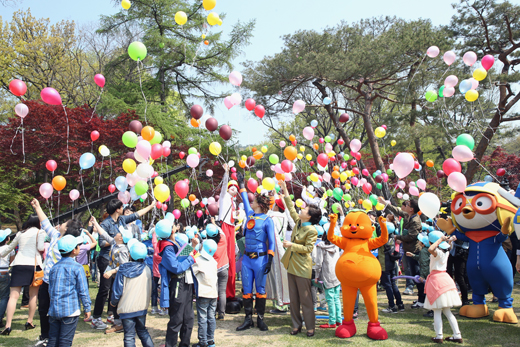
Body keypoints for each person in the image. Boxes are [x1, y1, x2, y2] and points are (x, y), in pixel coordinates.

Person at [92, 199, 154, 330]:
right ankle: (96, 317)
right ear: (117, 209)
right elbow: (102, 243)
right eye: (122, 207)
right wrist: (116, 241)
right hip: (106, 258)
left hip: (120, 257)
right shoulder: (106, 224)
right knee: (105, 288)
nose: (123, 208)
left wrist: (151, 206)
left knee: (116, 287)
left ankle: (112, 315)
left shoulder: (121, 220)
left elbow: (137, 215)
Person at [30, 198, 83, 346]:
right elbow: (45, 222)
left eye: (64, 224)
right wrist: (38, 207)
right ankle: (45, 336)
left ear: (66, 229)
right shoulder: (54, 235)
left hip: (60, 284)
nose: (61, 224)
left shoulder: (68, 245)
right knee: (43, 309)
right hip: (47, 281)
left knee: (57, 312)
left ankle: (56, 338)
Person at [278, 180, 320, 337]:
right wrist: (284, 189)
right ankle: (296, 325)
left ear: (308, 216)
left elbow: (308, 249)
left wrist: (291, 245)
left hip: (302, 267)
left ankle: (310, 327)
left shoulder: (312, 231)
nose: (302, 208)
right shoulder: (298, 222)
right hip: (291, 264)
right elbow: (290, 208)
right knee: (294, 299)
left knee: (306, 299)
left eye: (305, 209)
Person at [235, 172, 275, 332]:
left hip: (261, 259)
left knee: (260, 290)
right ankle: (247, 319)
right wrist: (241, 185)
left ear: (260, 204)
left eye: (254, 200)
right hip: (247, 260)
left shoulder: (268, 220)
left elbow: (271, 242)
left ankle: (260, 319)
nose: (251, 202)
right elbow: (244, 200)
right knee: (246, 290)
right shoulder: (250, 215)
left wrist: (270, 260)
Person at [0, 213, 45, 336]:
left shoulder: (20, 233)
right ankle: (29, 321)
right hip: (33, 265)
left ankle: (8, 325)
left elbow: (10, 248)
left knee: (13, 296)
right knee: (33, 295)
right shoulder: (40, 233)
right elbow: (41, 247)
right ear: (38, 222)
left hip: (18, 264)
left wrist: (1, 255)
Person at [158, 220, 199, 347]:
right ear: (171, 230)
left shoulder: (175, 242)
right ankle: (170, 344)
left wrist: (192, 245)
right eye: (173, 225)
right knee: (177, 317)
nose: (176, 226)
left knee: (189, 317)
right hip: (177, 283)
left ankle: (185, 343)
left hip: (186, 282)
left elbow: (182, 255)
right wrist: (191, 259)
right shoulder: (167, 247)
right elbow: (176, 267)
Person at [91, 216, 133, 334]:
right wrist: (95, 223)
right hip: (115, 275)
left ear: (121, 238)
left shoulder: (123, 249)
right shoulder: (115, 243)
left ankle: (119, 323)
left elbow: (124, 266)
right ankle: (117, 321)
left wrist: (111, 271)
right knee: (114, 297)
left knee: (118, 297)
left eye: (119, 233)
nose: (116, 233)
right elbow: (104, 234)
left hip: (119, 277)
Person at [48, 235, 91, 347]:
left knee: (52, 340)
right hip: (70, 311)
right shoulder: (77, 267)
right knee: (65, 342)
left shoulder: (54, 267)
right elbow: (83, 290)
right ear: (74, 250)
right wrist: (87, 307)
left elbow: (50, 289)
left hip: (54, 310)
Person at [111, 242, 154, 347]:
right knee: (143, 331)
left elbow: (117, 289)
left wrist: (113, 302)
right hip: (141, 307)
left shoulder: (123, 269)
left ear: (130, 255)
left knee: (129, 336)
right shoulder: (147, 269)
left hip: (126, 307)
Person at [424, 232, 462, 343]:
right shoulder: (445, 252)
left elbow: (430, 249)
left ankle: (439, 335)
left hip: (437, 281)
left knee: (437, 311)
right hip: (445, 280)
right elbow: (448, 247)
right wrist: (449, 241)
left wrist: (441, 239)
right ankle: (457, 334)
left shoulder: (438, 253)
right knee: (447, 312)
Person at [379, 197, 422, 297]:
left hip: (413, 251)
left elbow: (411, 236)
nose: (405, 206)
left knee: (416, 274)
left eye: (407, 204)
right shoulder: (408, 215)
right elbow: (397, 210)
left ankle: (421, 298)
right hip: (407, 249)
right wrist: (385, 203)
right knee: (409, 271)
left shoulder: (415, 220)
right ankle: (420, 298)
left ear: (411, 209)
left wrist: (397, 237)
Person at [192, 240, 218, 347]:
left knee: (202, 318)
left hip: (203, 294)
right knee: (211, 317)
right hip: (213, 294)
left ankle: (202, 342)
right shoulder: (214, 261)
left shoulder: (198, 261)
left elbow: (192, 271)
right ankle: (211, 340)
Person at [218, 164, 239, 302]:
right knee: (224, 258)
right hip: (224, 227)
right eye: (231, 187)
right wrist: (226, 173)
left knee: (232, 260)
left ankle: (230, 292)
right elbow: (225, 184)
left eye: (236, 188)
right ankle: (222, 292)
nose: (233, 188)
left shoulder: (234, 202)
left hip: (232, 228)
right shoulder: (224, 197)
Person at [266, 199, 290, 314]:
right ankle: (284, 303)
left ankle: (280, 304)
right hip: (283, 246)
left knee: (276, 275)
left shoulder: (272, 218)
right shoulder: (285, 217)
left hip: (275, 246)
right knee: (283, 276)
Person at [315, 225, 341, 328]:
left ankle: (332, 322)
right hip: (337, 274)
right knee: (336, 298)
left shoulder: (320, 246)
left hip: (327, 274)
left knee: (330, 299)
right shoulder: (336, 245)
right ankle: (338, 320)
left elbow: (318, 263)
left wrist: (316, 276)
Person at [380, 220, 405, 314]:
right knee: (393, 284)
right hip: (392, 264)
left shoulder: (383, 239)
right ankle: (400, 304)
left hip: (384, 264)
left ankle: (392, 306)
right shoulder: (391, 237)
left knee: (388, 285)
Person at [207, 218, 229, 320]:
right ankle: (222, 313)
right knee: (222, 291)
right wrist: (214, 223)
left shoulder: (208, 245)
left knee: (214, 291)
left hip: (213, 269)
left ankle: (213, 312)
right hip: (224, 267)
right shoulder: (223, 239)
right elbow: (221, 231)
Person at [408, 234, 431, 316]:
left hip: (426, 274)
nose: (418, 242)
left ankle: (428, 306)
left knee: (428, 291)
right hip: (430, 273)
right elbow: (422, 258)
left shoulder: (424, 251)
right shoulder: (427, 250)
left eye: (420, 241)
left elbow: (424, 264)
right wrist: (413, 255)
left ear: (423, 244)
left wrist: (422, 276)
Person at [0, 229, 15, 329]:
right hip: (4, 273)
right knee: (4, 297)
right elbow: (11, 261)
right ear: (7, 239)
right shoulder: (9, 248)